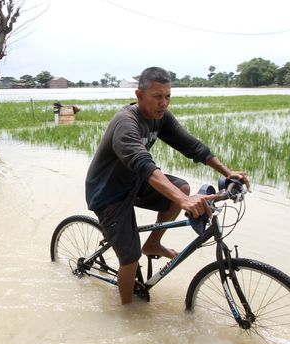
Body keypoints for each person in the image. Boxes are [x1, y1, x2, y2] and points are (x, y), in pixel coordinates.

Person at [85, 67, 249, 304]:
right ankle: (127, 312)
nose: (164, 103)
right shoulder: (126, 123)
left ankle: (153, 243)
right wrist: (185, 202)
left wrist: (228, 172)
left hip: (133, 182)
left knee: (181, 188)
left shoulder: (160, 118)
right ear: (139, 95)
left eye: (167, 97)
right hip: (108, 192)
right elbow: (145, 165)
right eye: (157, 97)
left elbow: (192, 146)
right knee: (130, 259)